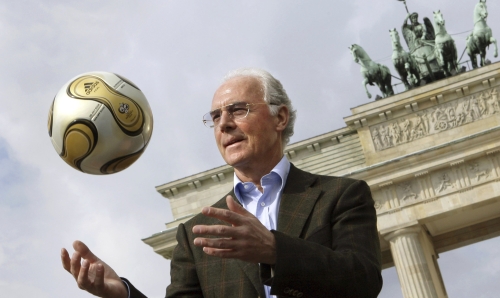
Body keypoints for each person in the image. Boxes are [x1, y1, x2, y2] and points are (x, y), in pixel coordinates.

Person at [61, 68, 382, 298]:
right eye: (215, 117)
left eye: (238, 110)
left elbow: (363, 281)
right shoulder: (195, 233)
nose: (224, 124)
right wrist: (122, 294)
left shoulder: (342, 196)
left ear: (280, 118)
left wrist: (274, 250)